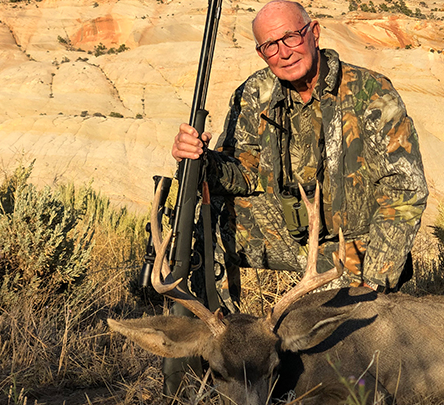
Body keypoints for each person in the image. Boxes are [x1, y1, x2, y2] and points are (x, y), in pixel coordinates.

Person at [167, 0, 427, 395]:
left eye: (290, 36)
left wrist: (374, 285)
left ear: (314, 32)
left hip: (350, 250)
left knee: (351, 352)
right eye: (269, 45)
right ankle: (218, 354)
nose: (282, 51)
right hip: (290, 239)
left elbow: (405, 192)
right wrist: (202, 162)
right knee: (203, 224)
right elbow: (241, 172)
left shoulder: (373, 93)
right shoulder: (254, 93)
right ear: (260, 52)